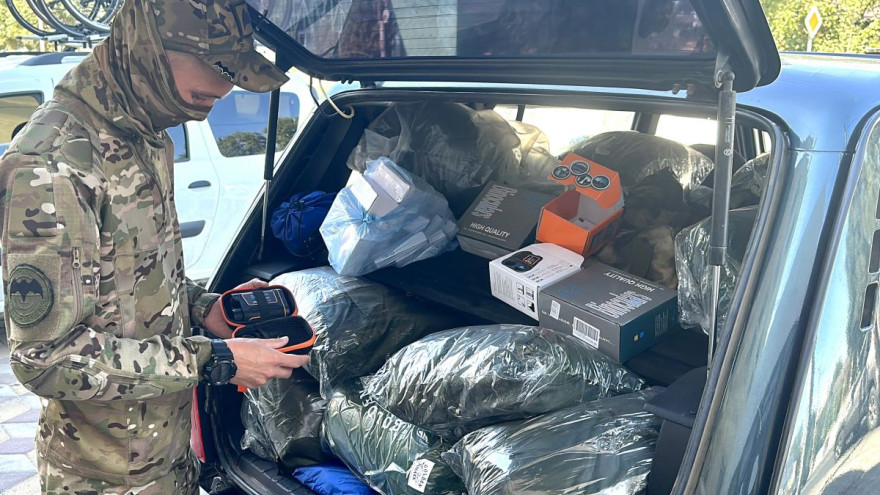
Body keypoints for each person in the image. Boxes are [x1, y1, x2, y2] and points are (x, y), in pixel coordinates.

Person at [0, 0, 309, 493]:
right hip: (103, 478)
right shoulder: (53, 164)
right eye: (214, 73)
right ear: (145, 48)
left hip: (169, 457)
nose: (221, 95)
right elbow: (44, 357)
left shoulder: (145, 135)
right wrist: (214, 359)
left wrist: (205, 308)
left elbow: (140, 275)